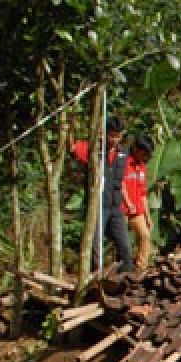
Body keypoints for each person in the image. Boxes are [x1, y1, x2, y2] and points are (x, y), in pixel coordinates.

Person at [71, 115, 132, 272]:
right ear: (104, 133)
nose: (114, 139)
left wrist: (128, 202)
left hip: (115, 206)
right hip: (98, 205)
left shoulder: (123, 154)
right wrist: (70, 124)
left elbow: (122, 181)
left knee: (124, 246)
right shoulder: (93, 150)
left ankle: (125, 277)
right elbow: (72, 148)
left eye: (118, 136)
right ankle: (95, 277)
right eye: (111, 135)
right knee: (96, 245)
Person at [125, 135, 154, 272]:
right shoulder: (124, 162)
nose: (145, 156)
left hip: (137, 210)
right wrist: (128, 202)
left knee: (145, 235)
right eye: (144, 153)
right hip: (122, 209)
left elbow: (143, 194)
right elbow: (121, 185)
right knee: (123, 242)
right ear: (136, 149)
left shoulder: (142, 167)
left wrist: (148, 216)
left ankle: (140, 268)